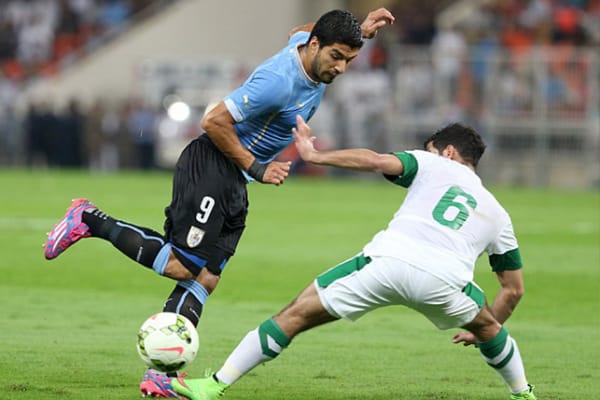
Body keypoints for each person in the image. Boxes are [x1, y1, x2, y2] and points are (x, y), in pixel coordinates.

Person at [42, 8, 395, 398]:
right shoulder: (278, 82)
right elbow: (213, 121)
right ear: (315, 47)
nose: (342, 68)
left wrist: (358, 32)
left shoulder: (309, 47)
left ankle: (161, 373)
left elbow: (301, 29)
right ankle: (89, 218)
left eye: (349, 58)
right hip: (213, 161)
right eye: (336, 57)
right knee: (182, 265)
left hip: (234, 180)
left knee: (206, 277)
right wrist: (257, 167)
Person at [169, 116, 537, 400]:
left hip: (387, 263)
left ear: (449, 152)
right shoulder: (499, 214)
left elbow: (376, 160)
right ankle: (524, 393)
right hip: (447, 283)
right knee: (491, 328)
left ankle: (213, 386)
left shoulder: (432, 162)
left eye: (433, 149)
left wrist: (314, 155)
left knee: (294, 315)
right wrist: (483, 330)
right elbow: (513, 290)